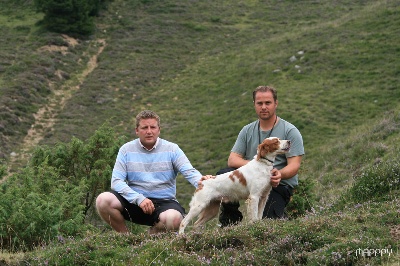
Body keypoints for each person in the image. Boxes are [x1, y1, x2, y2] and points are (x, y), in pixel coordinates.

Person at [96, 110, 212, 234]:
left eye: (153, 127)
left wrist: (203, 182)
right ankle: (127, 238)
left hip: (164, 202)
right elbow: (116, 181)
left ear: (159, 129)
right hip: (134, 201)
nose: (149, 131)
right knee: (103, 200)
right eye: (144, 127)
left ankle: (150, 237)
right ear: (137, 130)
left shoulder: (172, 149)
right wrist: (138, 199)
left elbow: (189, 172)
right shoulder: (126, 150)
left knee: (174, 219)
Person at [218, 85, 305, 227]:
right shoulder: (247, 130)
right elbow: (232, 160)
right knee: (222, 174)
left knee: (267, 223)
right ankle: (230, 223)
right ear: (254, 105)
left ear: (276, 103)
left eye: (268, 103)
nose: (264, 107)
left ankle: (282, 216)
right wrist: (257, 168)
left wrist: (279, 174)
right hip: (251, 179)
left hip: (278, 185)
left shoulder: (290, 131)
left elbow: (294, 165)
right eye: (260, 103)